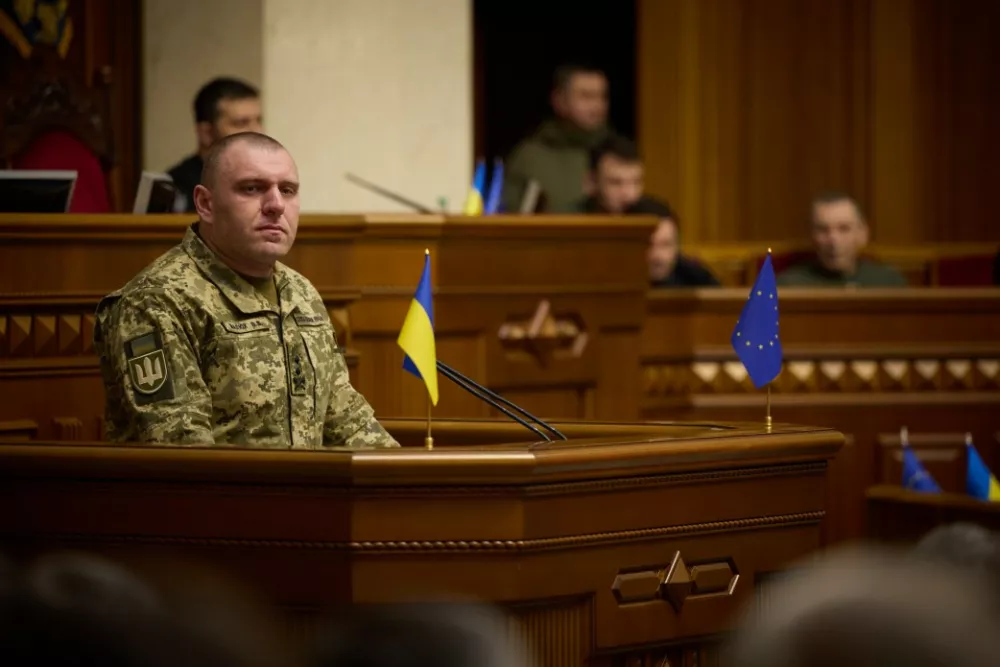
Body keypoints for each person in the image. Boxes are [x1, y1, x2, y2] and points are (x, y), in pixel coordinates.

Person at [94, 132, 398, 449]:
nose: (276, 205)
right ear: (205, 204)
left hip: (305, 494)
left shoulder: (301, 293)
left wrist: (403, 484)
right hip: (225, 497)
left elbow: (349, 423)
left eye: (288, 190)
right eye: (252, 188)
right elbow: (181, 449)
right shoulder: (158, 300)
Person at [501, 64, 611, 213]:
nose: (596, 106)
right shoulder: (530, 158)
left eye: (601, 97)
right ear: (559, 101)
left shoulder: (615, 152)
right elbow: (509, 217)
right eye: (586, 96)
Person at [167, 78, 263, 213]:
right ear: (206, 133)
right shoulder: (174, 189)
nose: (257, 131)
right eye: (241, 123)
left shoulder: (265, 181)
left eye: (258, 121)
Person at [777, 192, 908, 287]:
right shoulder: (789, 286)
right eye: (823, 230)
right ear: (811, 236)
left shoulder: (888, 282)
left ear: (863, 234)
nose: (833, 240)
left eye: (844, 229)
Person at [627, 197, 720, 287]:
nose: (658, 256)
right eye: (649, 245)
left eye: (666, 245)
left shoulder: (697, 279)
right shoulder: (615, 280)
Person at [576, 135, 644, 214]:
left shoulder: (654, 215)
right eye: (616, 183)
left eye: (636, 182)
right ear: (591, 182)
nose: (629, 194)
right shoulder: (571, 219)